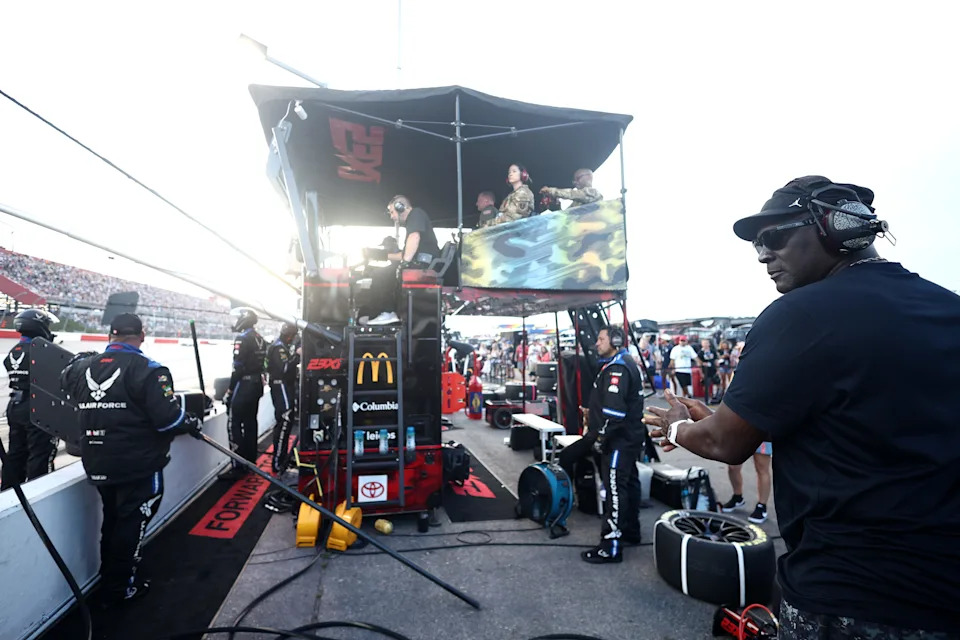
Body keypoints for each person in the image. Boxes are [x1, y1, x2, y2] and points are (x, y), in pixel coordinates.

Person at [644, 176, 960, 638]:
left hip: (850, 596)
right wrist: (725, 418)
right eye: (757, 244)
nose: (762, 255)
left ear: (834, 228)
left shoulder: (800, 313)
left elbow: (725, 444)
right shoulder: (948, 308)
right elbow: (864, 422)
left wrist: (676, 427)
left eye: (774, 237)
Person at [59, 313, 201, 607]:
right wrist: (190, 421)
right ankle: (120, 588)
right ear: (142, 335)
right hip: (138, 466)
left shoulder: (82, 368)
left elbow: (65, 377)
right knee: (131, 524)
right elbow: (168, 420)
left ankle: (109, 581)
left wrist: (84, 358)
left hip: (97, 461)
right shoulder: (150, 370)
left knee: (112, 521)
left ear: (110, 335)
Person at [581, 325, 645, 564]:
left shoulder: (618, 367)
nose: (596, 343)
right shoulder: (624, 362)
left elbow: (614, 413)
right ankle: (630, 531)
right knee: (629, 484)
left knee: (615, 489)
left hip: (618, 441)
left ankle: (610, 545)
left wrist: (599, 438)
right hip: (629, 438)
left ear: (615, 341)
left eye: (601, 339)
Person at [1, 309, 60, 490]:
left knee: (15, 453)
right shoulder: (42, 351)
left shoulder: (14, 351)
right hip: (37, 406)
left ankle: (8, 493)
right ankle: (38, 493)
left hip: (15, 405)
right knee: (40, 454)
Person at [361, 195, 441, 325]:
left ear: (401, 207)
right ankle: (387, 313)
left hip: (424, 265)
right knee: (383, 272)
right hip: (421, 263)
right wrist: (380, 255)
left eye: (392, 212)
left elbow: (414, 238)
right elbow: (404, 254)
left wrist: (404, 264)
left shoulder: (416, 214)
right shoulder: (413, 221)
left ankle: (387, 312)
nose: (392, 216)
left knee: (381, 274)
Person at [221, 307, 266, 480]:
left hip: (244, 385)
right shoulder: (259, 338)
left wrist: (230, 389)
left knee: (233, 424)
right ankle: (250, 461)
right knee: (250, 423)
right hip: (256, 386)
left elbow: (237, 368)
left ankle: (238, 465)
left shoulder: (242, 338)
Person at [266, 322, 299, 473]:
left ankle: (283, 458)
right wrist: (297, 355)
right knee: (285, 419)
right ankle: (277, 461)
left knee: (287, 421)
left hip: (285, 386)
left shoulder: (282, 346)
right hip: (280, 386)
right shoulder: (278, 347)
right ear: (289, 335)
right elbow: (284, 368)